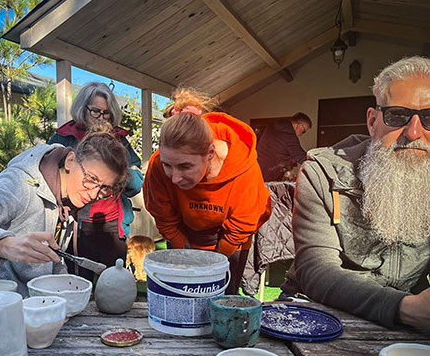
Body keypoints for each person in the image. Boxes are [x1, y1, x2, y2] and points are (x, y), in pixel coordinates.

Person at [282, 56, 430, 330]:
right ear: (373, 121)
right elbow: (317, 271)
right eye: (397, 115)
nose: (413, 131)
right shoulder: (322, 174)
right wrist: (403, 308)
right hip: (316, 310)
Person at [0, 124, 129, 295]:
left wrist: (68, 289)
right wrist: (3, 244)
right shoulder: (19, 185)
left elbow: (53, 258)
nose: (94, 194)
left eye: (104, 189)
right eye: (91, 179)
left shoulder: (71, 200)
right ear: (70, 161)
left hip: (27, 313)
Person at [143, 87, 271, 295]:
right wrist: (185, 252)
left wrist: (214, 262)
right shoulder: (158, 164)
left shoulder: (244, 169)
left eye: (185, 167)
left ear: (210, 153)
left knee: (220, 300)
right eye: (168, 165)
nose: (175, 178)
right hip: (182, 231)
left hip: (229, 238)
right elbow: (163, 214)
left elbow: (244, 221)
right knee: (181, 297)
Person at [48, 82, 143, 281]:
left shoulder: (120, 141)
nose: (101, 118)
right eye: (96, 111)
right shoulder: (65, 138)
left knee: (112, 283)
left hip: (112, 225)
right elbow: (48, 178)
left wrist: (116, 173)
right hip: (75, 226)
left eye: (106, 113)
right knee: (75, 281)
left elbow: (137, 184)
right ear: (83, 109)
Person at [256, 112, 312, 181]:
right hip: (266, 175)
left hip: (257, 168)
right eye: (303, 131)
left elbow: (278, 151)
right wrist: (318, 162)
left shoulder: (273, 126)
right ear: (300, 126)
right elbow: (300, 156)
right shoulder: (289, 134)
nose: (301, 134)